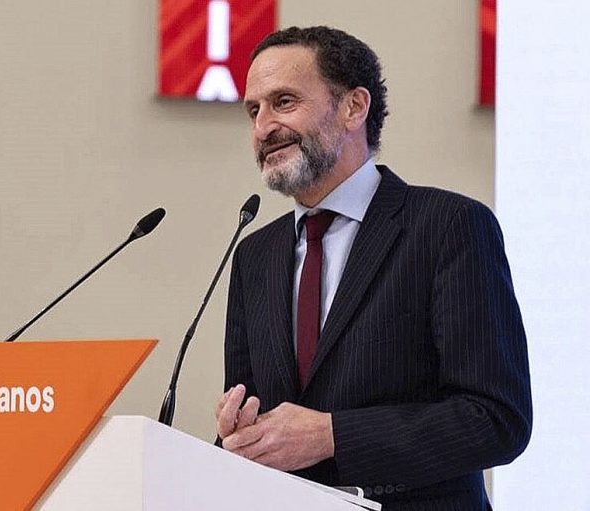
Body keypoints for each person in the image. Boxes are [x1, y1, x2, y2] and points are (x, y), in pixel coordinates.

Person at [214, 26, 532, 510]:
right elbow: (258, 414)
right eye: (253, 111)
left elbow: (495, 419)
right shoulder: (254, 255)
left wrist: (333, 435)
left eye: (284, 102)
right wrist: (240, 436)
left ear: (353, 107)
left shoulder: (448, 226)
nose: (263, 127)